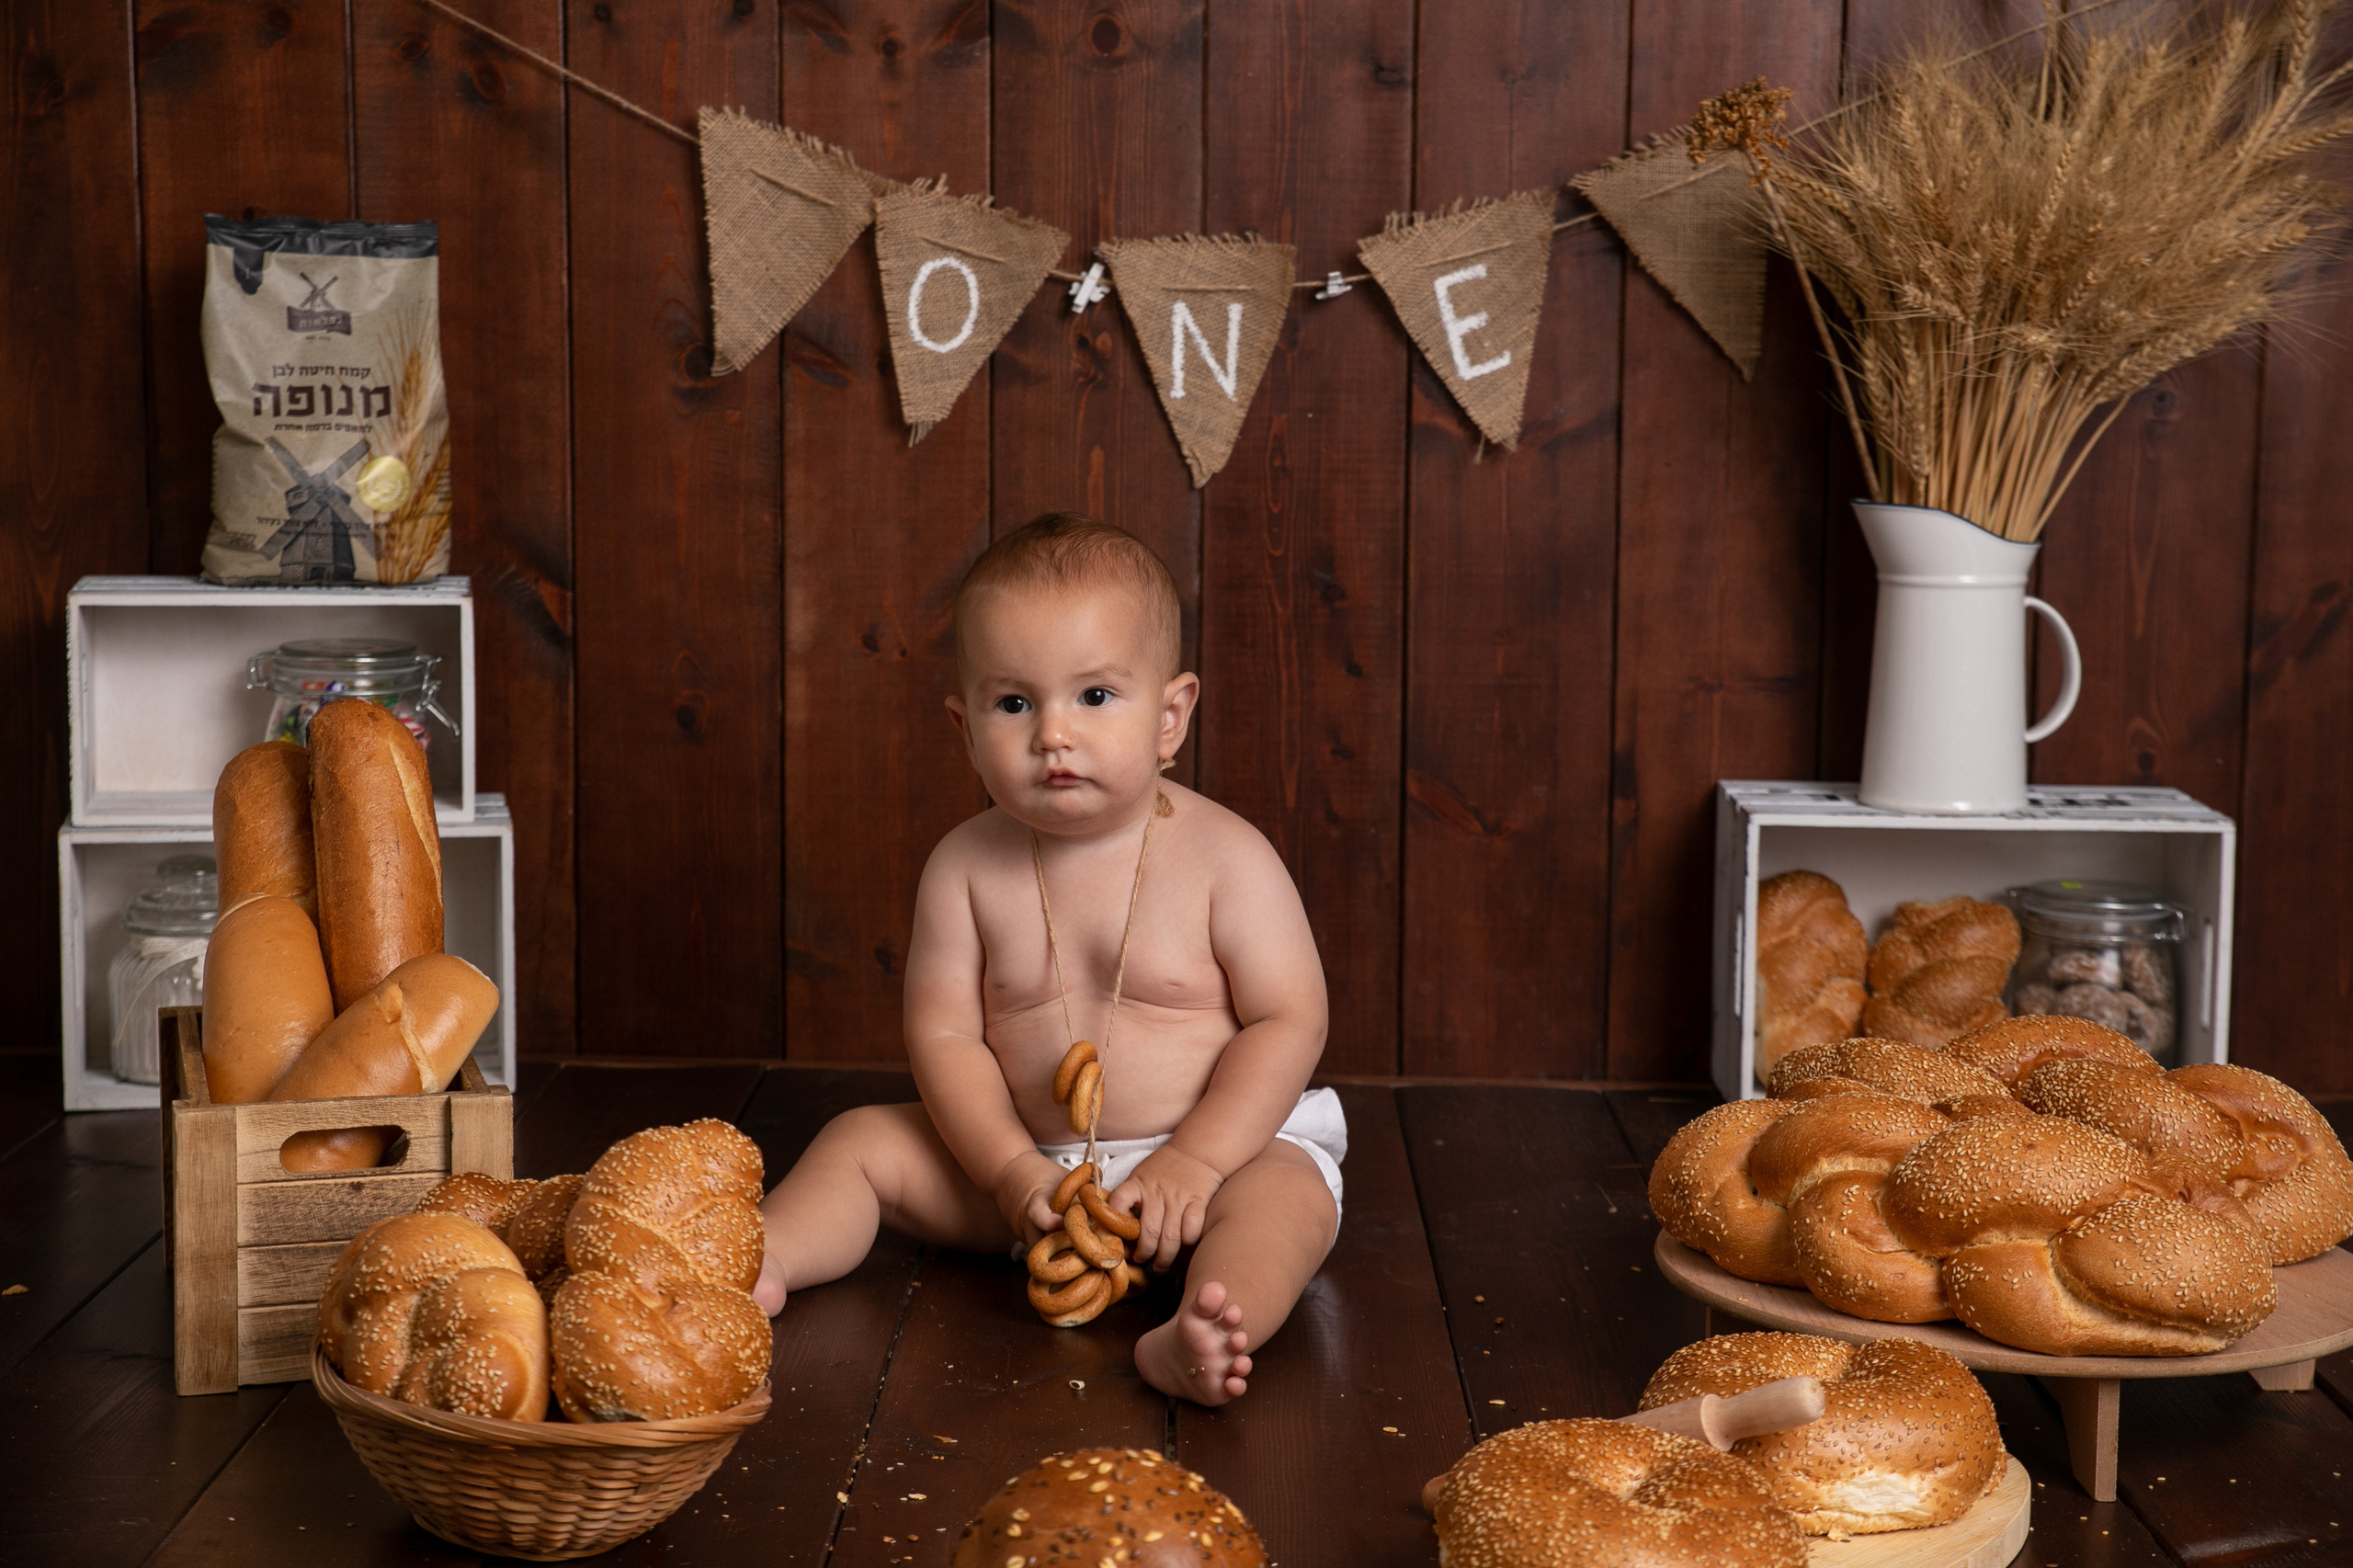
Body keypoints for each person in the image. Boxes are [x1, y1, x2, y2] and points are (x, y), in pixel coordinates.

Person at [756, 512, 1342, 1404]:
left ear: (1170, 714)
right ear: (965, 725)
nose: (1052, 735)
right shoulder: (963, 867)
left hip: (1207, 1165)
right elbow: (945, 1035)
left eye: (1095, 696)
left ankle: (1210, 1327)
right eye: (1014, 702)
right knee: (863, 1142)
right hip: (1028, 1175)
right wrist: (1007, 1168)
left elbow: (1288, 1017)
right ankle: (757, 1263)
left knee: (1288, 1199)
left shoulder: (1228, 858)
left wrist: (1198, 1158)